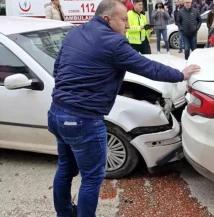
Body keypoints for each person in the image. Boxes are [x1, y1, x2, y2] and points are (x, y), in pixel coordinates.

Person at [48, 1, 200, 217]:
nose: (128, 25)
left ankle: (64, 213)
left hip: (56, 113)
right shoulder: (113, 42)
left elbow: (58, 68)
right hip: (83, 120)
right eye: (124, 19)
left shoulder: (75, 32)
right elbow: (148, 67)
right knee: (92, 178)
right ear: (107, 19)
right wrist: (180, 75)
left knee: (65, 168)